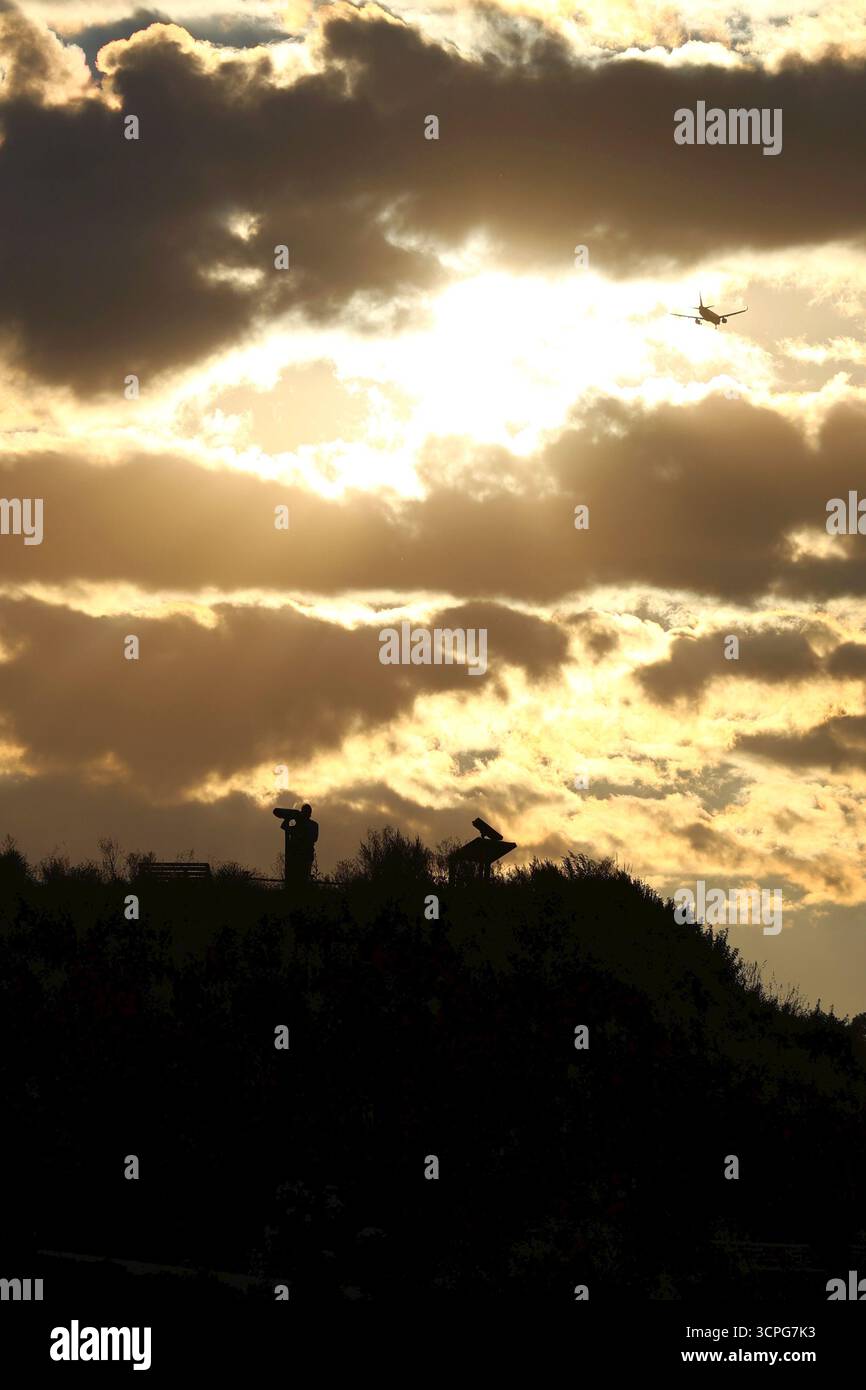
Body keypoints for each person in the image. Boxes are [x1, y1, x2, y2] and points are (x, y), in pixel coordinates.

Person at [277, 803, 318, 886]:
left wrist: (290, 819)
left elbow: (284, 826)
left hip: (303, 854)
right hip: (300, 854)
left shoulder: (304, 825)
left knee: (302, 877)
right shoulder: (310, 825)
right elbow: (284, 826)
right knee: (300, 877)